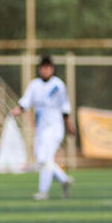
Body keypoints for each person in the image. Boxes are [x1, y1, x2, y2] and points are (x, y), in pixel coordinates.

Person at [11, 55, 76, 200]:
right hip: (41, 128)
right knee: (41, 160)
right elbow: (26, 101)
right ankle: (64, 180)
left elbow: (65, 106)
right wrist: (18, 109)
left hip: (55, 127)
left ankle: (43, 191)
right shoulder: (35, 85)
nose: (46, 70)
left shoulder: (58, 85)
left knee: (46, 159)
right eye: (43, 68)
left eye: (48, 67)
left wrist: (69, 124)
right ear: (40, 69)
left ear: (52, 69)